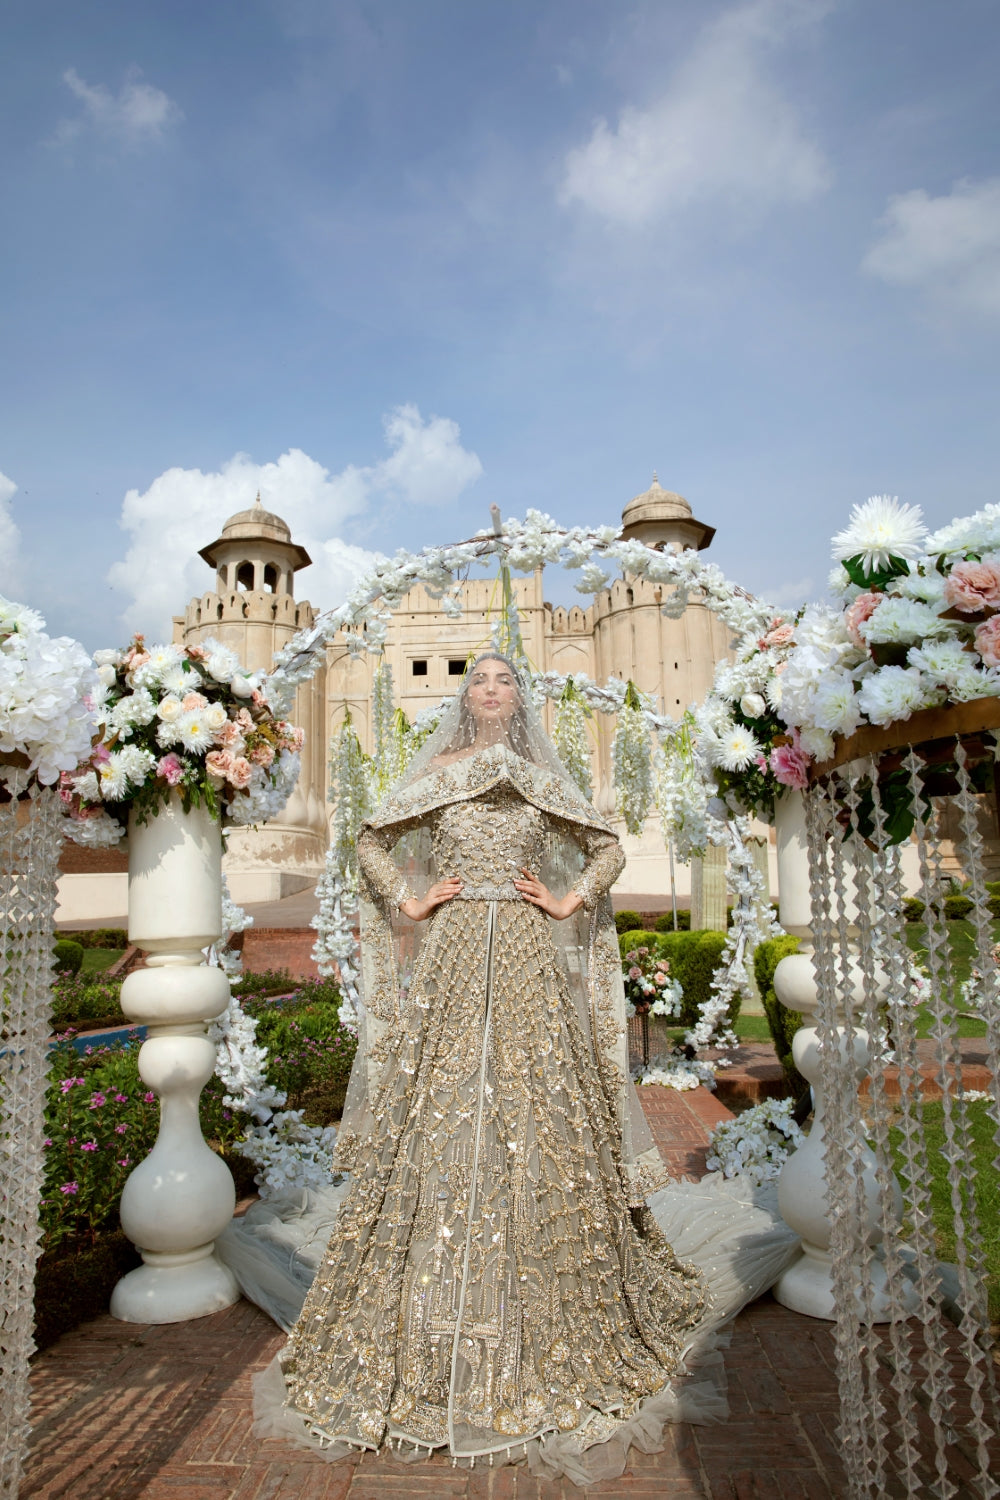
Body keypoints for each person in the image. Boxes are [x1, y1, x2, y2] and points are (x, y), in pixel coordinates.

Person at [227, 653, 798, 1485]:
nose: (492, 690)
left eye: (505, 681)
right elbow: (372, 839)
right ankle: (428, 1311)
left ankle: (555, 1306)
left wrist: (568, 900)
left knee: (539, 1110)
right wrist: (410, 900)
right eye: (481, 681)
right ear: (464, 699)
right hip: (455, 951)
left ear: (519, 700)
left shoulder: (538, 776)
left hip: (530, 954)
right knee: (445, 1105)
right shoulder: (442, 772)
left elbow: (603, 849)